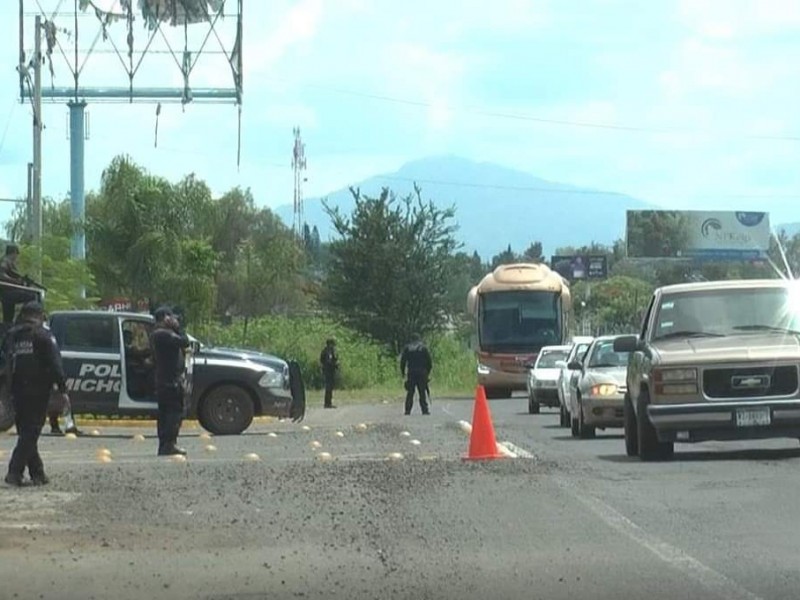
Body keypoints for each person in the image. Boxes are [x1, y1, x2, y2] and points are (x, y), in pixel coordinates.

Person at [4, 301, 69, 486]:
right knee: (31, 432)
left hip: (16, 389)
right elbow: (55, 363)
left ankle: (37, 473)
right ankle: (14, 472)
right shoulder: (43, 335)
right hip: (38, 390)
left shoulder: (12, 336)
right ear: (39, 315)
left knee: (26, 431)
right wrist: (63, 389)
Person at [150, 306, 190, 456]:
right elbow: (184, 341)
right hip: (170, 382)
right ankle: (169, 444)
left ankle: (165, 444)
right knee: (173, 413)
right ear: (165, 318)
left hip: (165, 381)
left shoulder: (158, 334)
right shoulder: (163, 334)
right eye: (171, 317)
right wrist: (178, 328)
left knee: (165, 413)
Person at [0, 245, 38, 325]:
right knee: (32, 295)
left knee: (8, 319)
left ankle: (7, 331)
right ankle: (24, 318)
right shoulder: (6, 261)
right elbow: (1, 276)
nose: (16, 257)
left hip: (6, 294)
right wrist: (16, 281)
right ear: (14, 253)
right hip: (8, 292)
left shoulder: (7, 262)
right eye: (16, 254)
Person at [400, 333, 433, 416]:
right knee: (422, 392)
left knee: (410, 392)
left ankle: (407, 410)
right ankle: (424, 410)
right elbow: (429, 362)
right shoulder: (423, 348)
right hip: (422, 372)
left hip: (411, 372)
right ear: (419, 339)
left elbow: (403, 361)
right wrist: (427, 373)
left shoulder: (407, 348)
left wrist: (403, 372)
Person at [319, 338, 338, 409]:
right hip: (329, 371)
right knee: (329, 387)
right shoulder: (328, 352)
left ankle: (328, 402)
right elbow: (328, 362)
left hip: (328, 371)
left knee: (329, 387)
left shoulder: (326, 351)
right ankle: (327, 403)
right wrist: (335, 364)